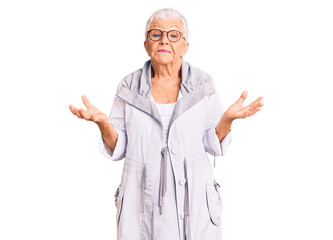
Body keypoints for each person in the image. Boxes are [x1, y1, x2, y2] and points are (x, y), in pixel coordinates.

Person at [69, 8, 263, 240]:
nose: (164, 40)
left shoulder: (203, 85)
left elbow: (212, 143)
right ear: (146, 44)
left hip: (194, 204)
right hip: (140, 201)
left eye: (173, 35)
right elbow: (118, 147)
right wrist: (102, 123)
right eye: (156, 34)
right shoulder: (128, 87)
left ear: (185, 46)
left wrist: (227, 119)